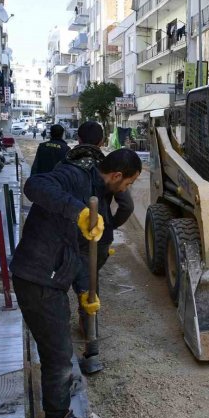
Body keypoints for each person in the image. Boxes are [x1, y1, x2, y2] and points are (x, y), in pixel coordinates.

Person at [10, 142, 141, 418]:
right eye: (129, 183)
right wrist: (79, 212)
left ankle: (61, 386)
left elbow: (84, 252)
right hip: (36, 276)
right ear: (117, 175)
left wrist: (84, 290)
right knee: (57, 352)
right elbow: (35, 184)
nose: (127, 190)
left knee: (60, 346)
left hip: (54, 277)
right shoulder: (74, 176)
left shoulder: (100, 192)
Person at [70, 122, 134, 363]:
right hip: (98, 238)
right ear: (102, 140)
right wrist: (111, 225)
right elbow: (127, 205)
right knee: (90, 284)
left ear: (78, 138)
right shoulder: (107, 167)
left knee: (76, 281)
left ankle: (85, 328)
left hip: (69, 236)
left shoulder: (68, 164)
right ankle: (90, 335)